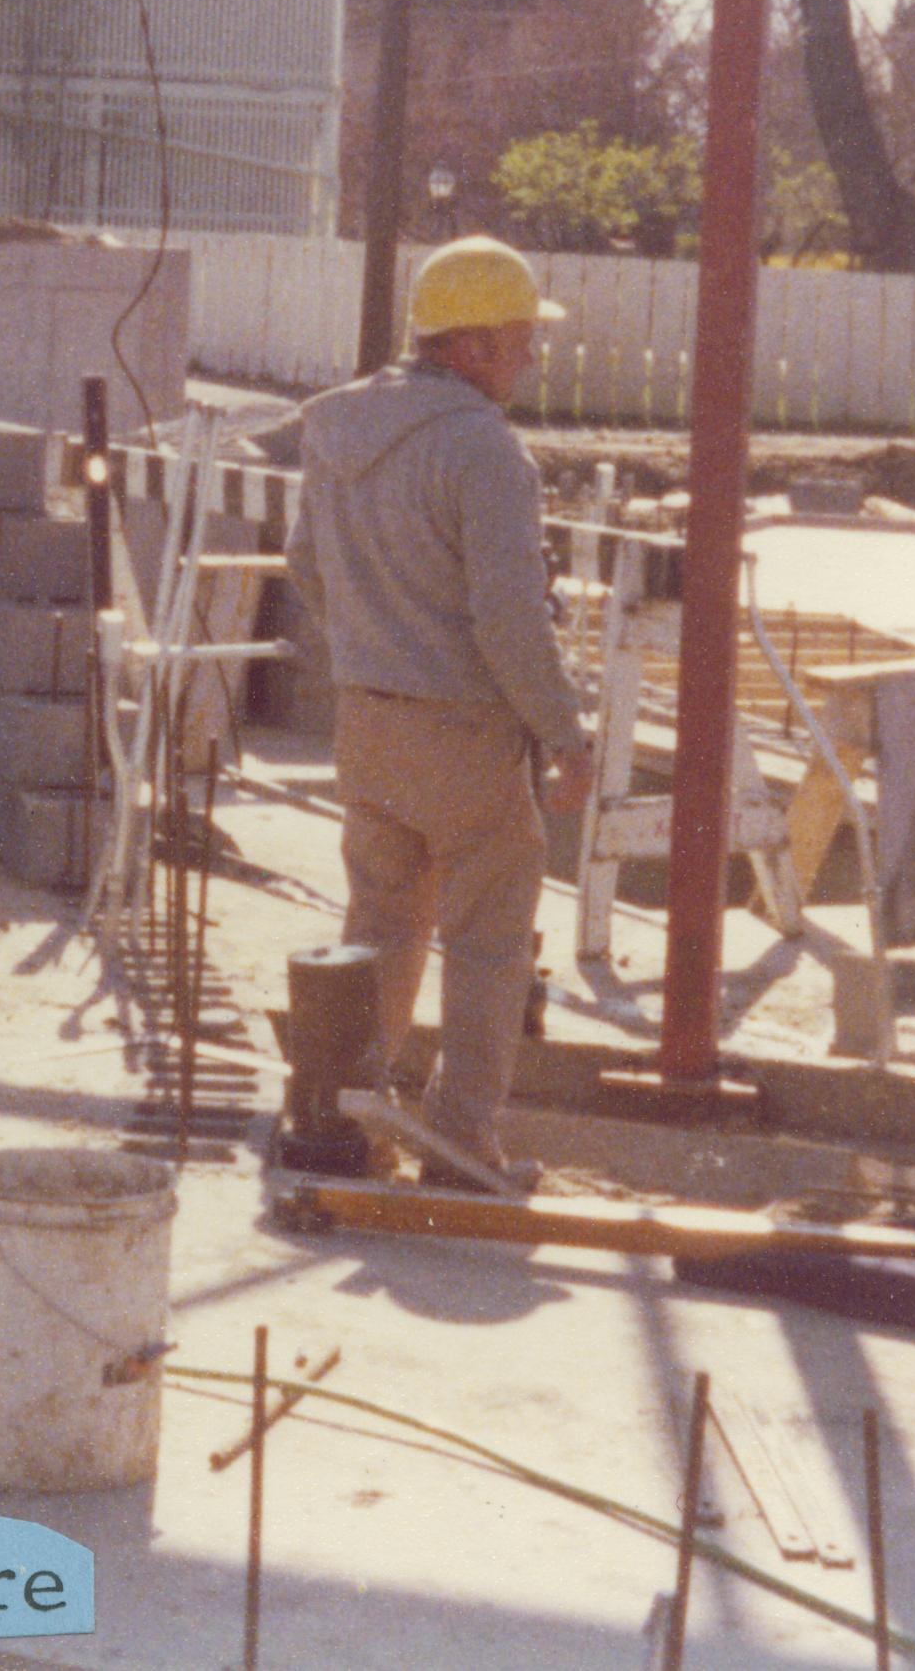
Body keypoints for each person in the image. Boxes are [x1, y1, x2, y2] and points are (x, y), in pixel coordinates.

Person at [285, 235, 593, 1190]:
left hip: (365, 720)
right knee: (489, 937)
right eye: (515, 338)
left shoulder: (336, 429)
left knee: (378, 925)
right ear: (466, 346)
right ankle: (463, 1144)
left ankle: (340, 1125)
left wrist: (375, 645)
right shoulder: (485, 451)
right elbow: (509, 620)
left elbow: (305, 568)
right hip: (462, 729)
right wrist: (564, 733)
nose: (529, 356)